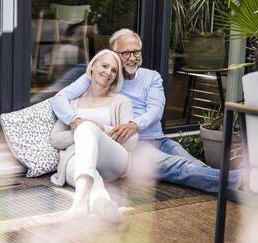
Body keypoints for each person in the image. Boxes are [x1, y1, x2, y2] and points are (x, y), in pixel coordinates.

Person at [51, 28, 241, 193]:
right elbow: (60, 98)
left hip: (159, 140)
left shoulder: (152, 77)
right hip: (135, 147)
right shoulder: (103, 75)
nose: (132, 58)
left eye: (136, 52)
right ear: (115, 54)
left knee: (195, 166)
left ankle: (236, 186)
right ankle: (242, 179)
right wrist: (75, 120)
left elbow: (156, 111)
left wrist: (134, 124)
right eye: (126, 53)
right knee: (182, 168)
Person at [50, 49, 138, 223]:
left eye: (114, 70)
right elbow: (56, 139)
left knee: (85, 127)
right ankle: (101, 202)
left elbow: (132, 141)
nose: (108, 73)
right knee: (87, 169)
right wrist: (85, 133)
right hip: (76, 160)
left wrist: (97, 129)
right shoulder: (72, 105)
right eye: (104, 66)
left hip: (112, 160)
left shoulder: (121, 102)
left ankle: (79, 202)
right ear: (92, 67)